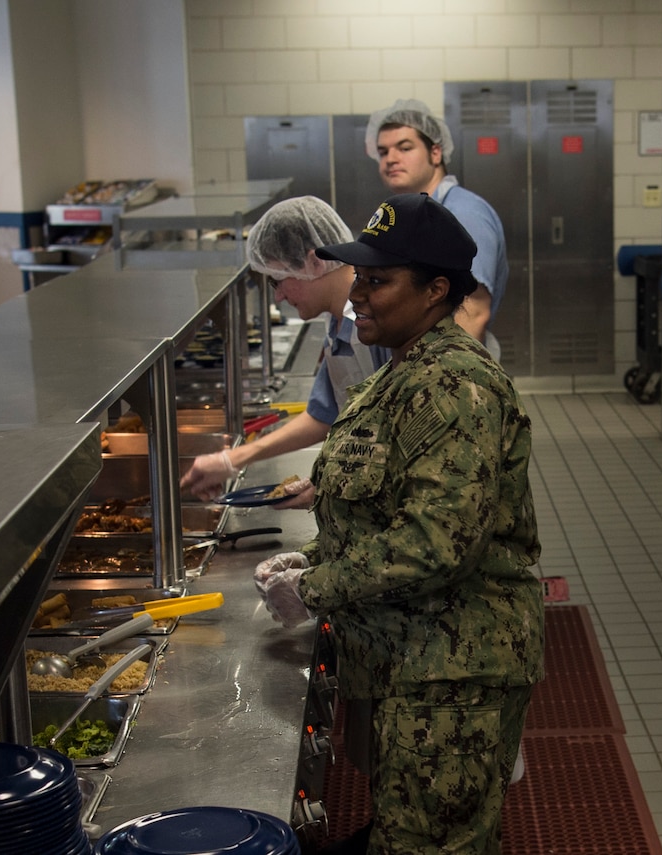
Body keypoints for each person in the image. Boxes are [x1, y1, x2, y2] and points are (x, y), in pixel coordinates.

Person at [255, 193, 543, 854]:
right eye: (359, 275)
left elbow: (435, 544)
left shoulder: (455, 388)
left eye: (379, 280)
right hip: (412, 663)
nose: (358, 293)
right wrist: (319, 553)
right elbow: (386, 507)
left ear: (436, 290)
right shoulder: (401, 374)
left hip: (454, 674)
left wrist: (318, 585)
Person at [179, 196, 386, 504]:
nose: (278, 298)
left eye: (277, 282)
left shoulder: (376, 322)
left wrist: (337, 483)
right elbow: (323, 414)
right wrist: (231, 461)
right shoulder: (336, 322)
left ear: (314, 261)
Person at [367, 99, 508, 360]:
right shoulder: (412, 218)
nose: (391, 159)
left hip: (448, 375)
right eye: (383, 152)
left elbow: (473, 313)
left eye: (404, 147)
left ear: (435, 153)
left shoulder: (464, 214)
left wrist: (431, 384)